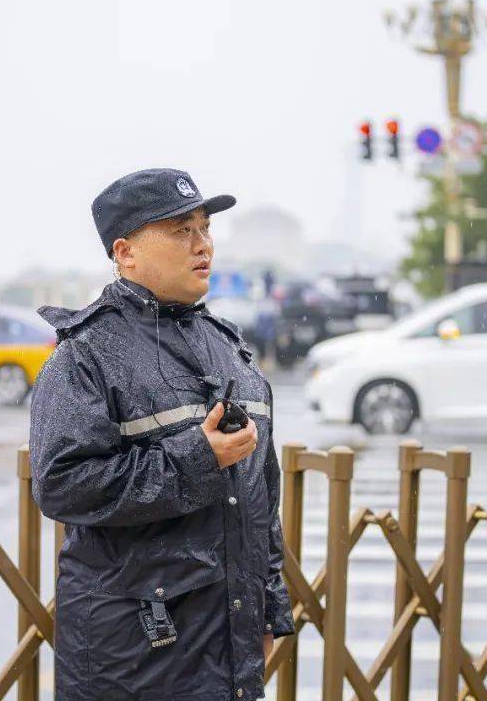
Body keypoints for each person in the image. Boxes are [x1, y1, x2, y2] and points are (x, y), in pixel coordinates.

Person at [29, 168, 293, 701]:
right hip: (129, 656)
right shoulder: (85, 354)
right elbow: (62, 485)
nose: (203, 246)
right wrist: (195, 457)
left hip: (229, 647)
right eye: (180, 231)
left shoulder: (230, 350)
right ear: (125, 252)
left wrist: (269, 608)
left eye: (205, 228)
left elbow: (261, 496)